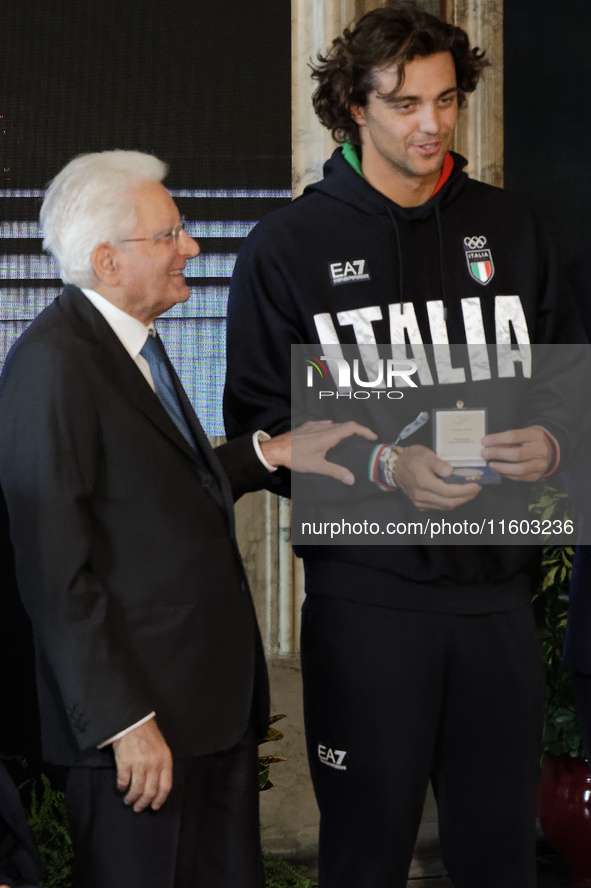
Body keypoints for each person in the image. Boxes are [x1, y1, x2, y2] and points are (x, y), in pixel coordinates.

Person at [223, 4, 584, 887]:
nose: (429, 125)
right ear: (354, 106)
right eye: (402, 104)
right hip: (367, 603)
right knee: (365, 856)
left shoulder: (513, 227)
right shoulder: (286, 248)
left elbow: (569, 390)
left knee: (500, 857)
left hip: (499, 601)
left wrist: (548, 440)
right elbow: (260, 437)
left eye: (445, 100)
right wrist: (385, 469)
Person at [0, 150, 375, 888]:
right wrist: (122, 724)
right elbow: (54, 571)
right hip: (141, 735)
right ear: (108, 260)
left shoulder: (123, 344)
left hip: (200, 720)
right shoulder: (53, 367)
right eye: (169, 234)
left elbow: (149, 492)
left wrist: (265, 452)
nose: (192, 248)